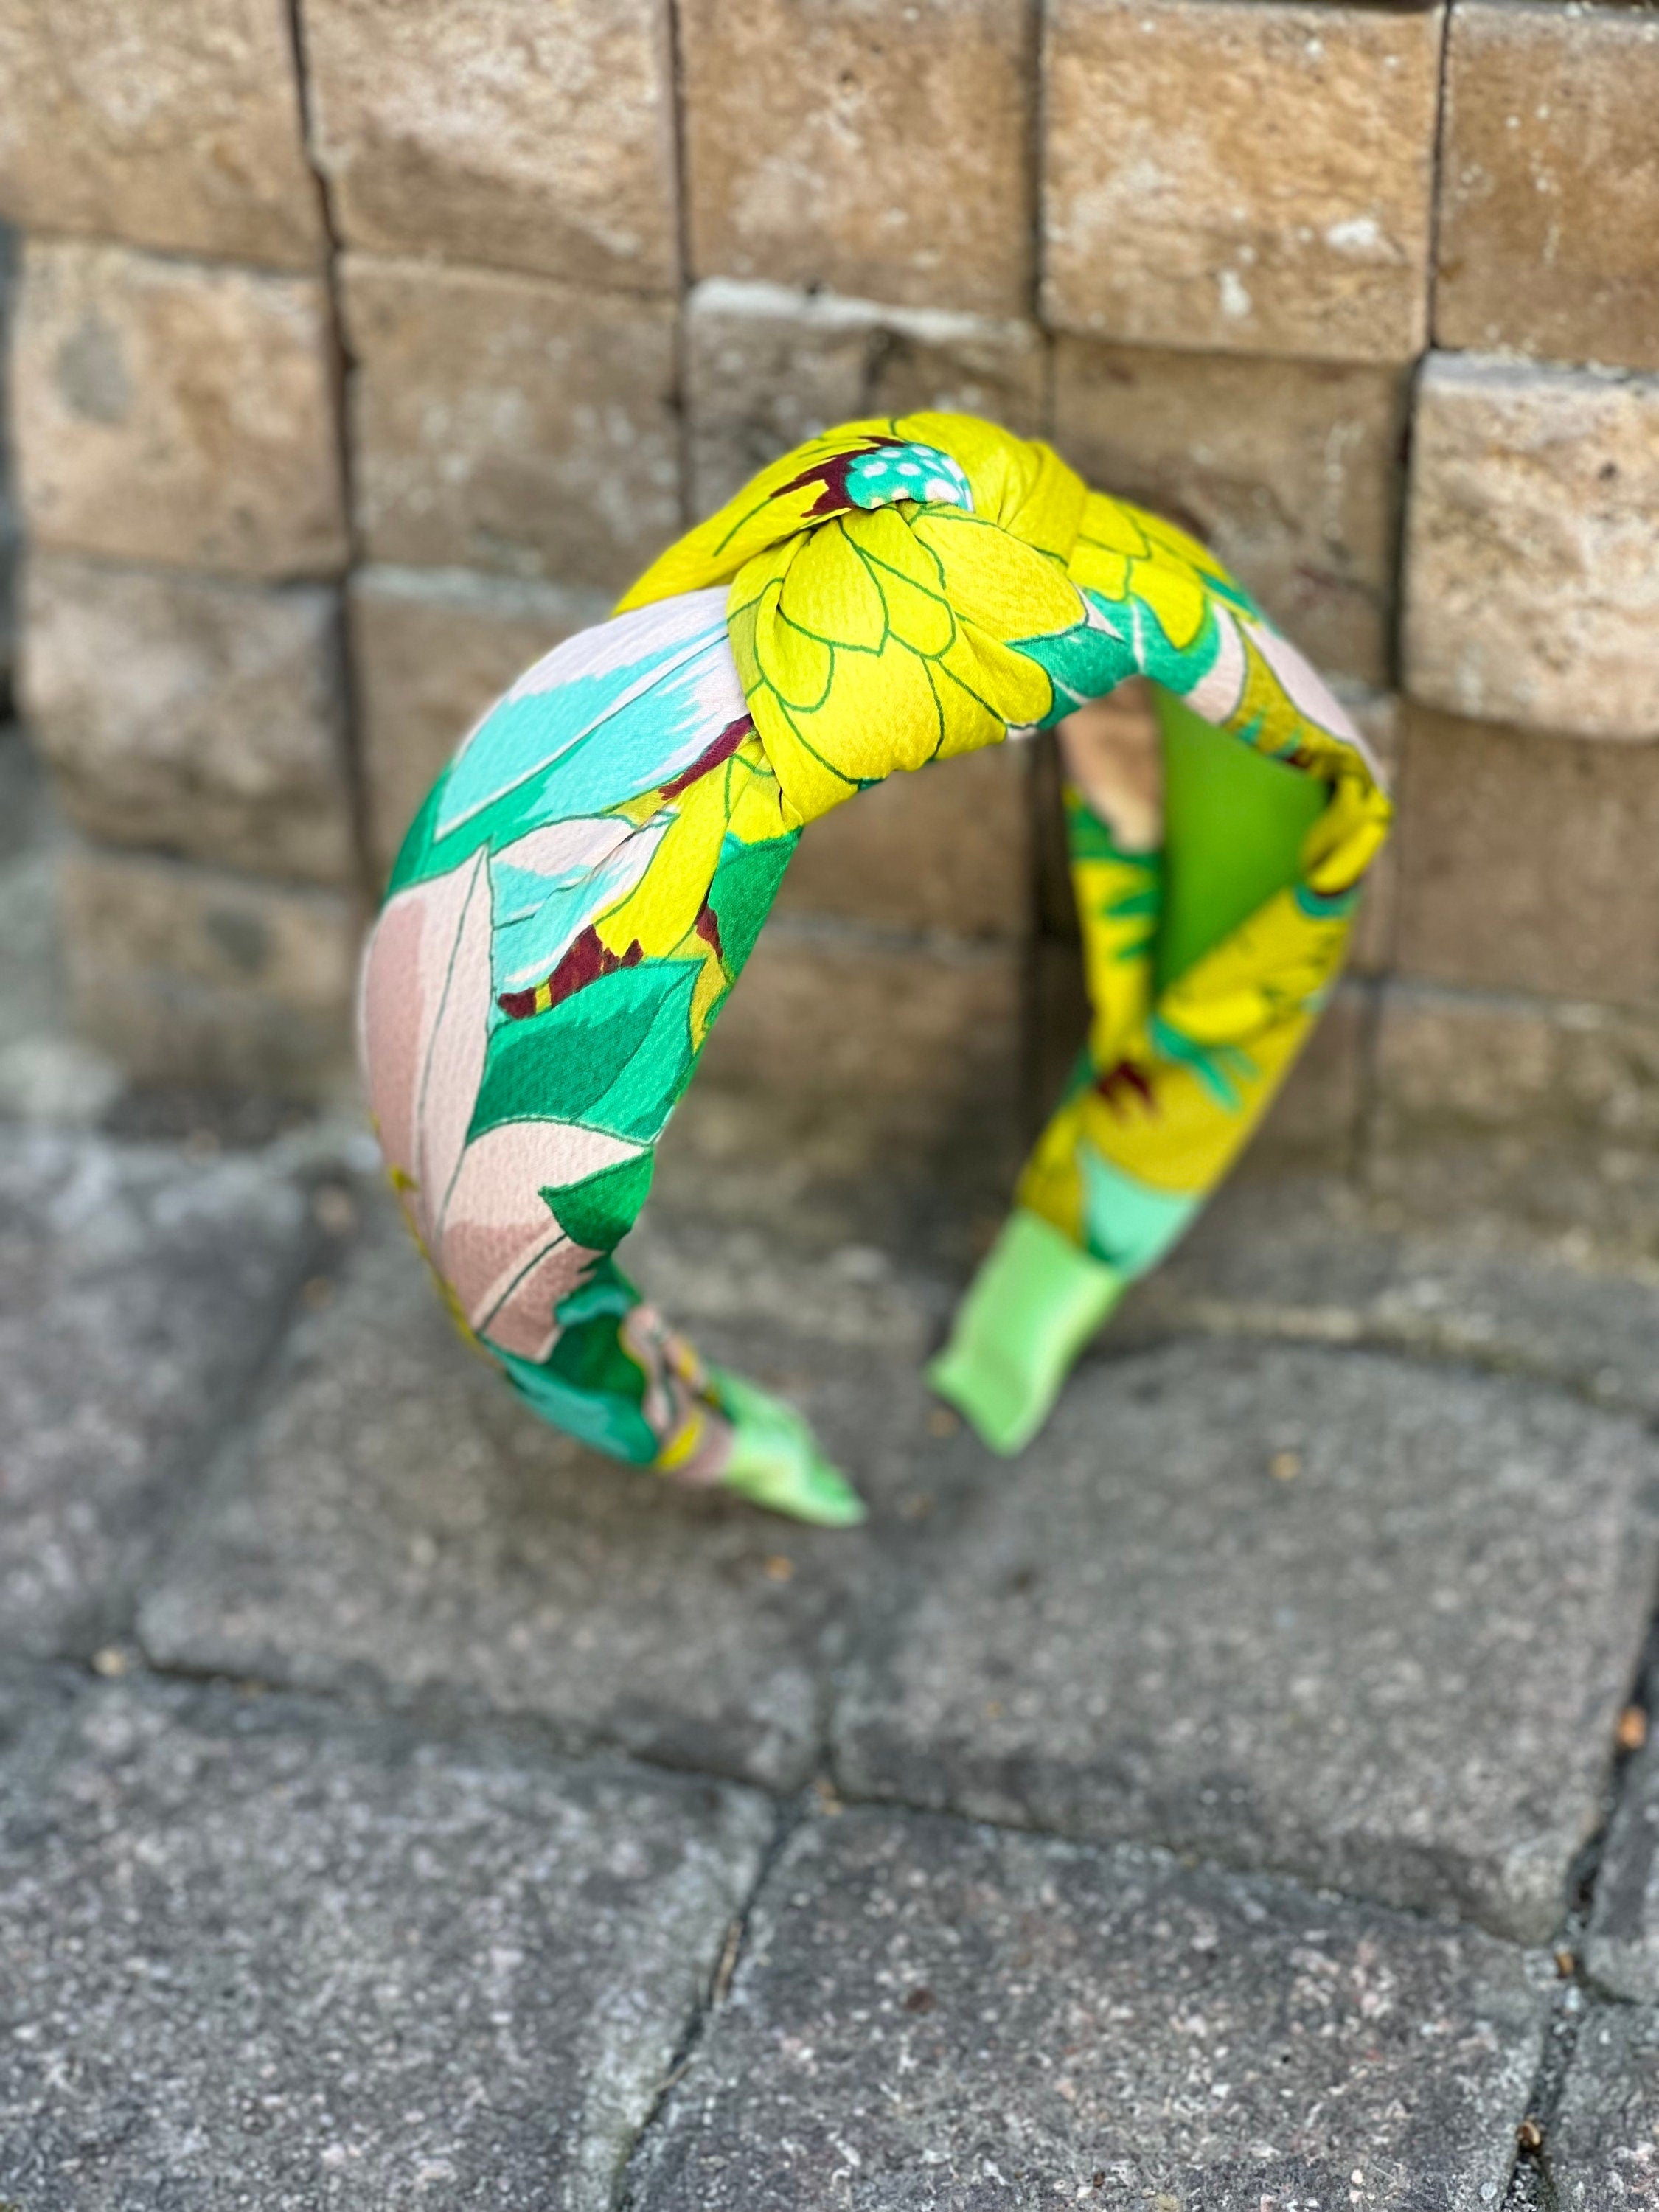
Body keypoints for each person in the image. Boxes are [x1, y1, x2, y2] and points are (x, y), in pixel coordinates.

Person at [358, 413, 1390, 1526]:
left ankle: (1090, 1215)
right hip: (905, 584)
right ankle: (665, 1412)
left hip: (939, 551)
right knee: (508, 1193)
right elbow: (498, 1196)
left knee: (508, 1184)